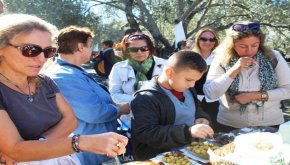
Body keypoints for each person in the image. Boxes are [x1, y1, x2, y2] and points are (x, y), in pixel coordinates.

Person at [0, 14, 127, 164]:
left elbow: (71, 121)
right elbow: (15, 149)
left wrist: (37, 146)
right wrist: (80, 142)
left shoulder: (45, 82)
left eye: (48, 51)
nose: (41, 58)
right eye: (31, 50)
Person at [44, 26, 130, 165]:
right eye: (90, 46)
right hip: (89, 154)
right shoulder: (64, 76)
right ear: (80, 47)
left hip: (96, 149)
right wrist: (120, 109)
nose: (92, 50)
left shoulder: (72, 71)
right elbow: (94, 112)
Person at [203, 21, 290, 132]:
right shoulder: (221, 59)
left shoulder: (273, 57)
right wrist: (234, 69)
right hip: (229, 124)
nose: (249, 50)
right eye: (242, 46)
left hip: (269, 124)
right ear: (232, 45)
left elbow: (289, 90)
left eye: (254, 45)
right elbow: (211, 93)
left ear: (260, 42)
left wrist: (254, 96)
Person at [130, 51, 214, 160]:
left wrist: (201, 117)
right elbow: (146, 133)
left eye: (195, 81)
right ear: (170, 73)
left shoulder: (188, 89)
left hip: (190, 154)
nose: (192, 85)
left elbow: (195, 107)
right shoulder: (144, 98)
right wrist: (188, 132)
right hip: (161, 158)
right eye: (189, 80)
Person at [108, 33, 167, 127]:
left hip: (161, 116)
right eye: (134, 50)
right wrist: (141, 101)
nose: (139, 52)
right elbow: (114, 94)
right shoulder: (118, 68)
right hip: (130, 119)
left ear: (150, 48)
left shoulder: (165, 65)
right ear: (127, 50)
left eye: (144, 48)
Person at [192, 27, 220, 131]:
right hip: (194, 100)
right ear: (198, 40)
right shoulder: (190, 57)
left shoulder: (220, 58)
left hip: (215, 100)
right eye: (204, 39)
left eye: (212, 39)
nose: (208, 42)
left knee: (214, 128)